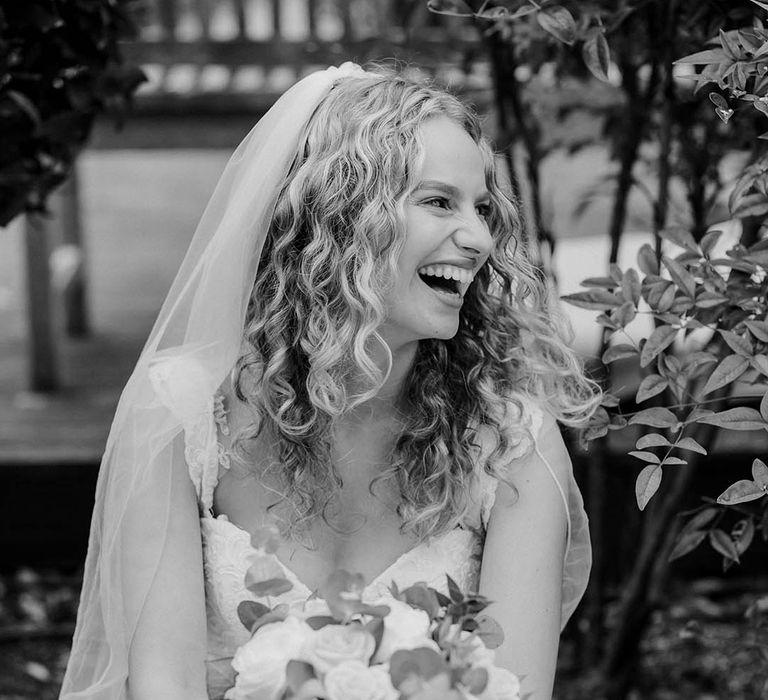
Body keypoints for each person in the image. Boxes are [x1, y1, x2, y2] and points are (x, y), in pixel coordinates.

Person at [60, 63, 599, 700]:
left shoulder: (511, 441)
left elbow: (516, 690)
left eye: (482, 208)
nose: (480, 238)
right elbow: (163, 686)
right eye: (437, 201)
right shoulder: (181, 416)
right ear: (340, 220)